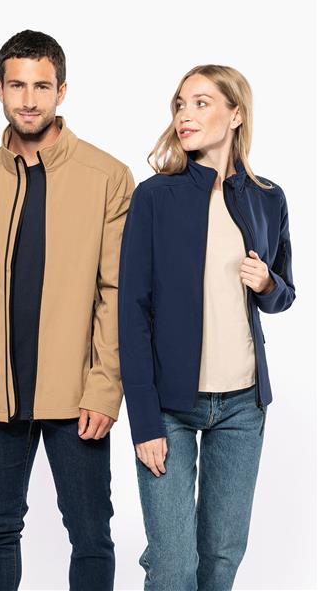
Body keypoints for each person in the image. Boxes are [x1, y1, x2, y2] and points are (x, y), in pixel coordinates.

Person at [0, 29, 135, 591]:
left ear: (61, 91)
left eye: (41, 86)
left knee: (90, 535)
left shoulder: (107, 177)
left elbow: (117, 293)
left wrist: (104, 389)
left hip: (76, 398)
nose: (28, 99)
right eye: (17, 85)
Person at [118, 64, 296, 590]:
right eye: (180, 104)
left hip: (243, 404)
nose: (185, 115)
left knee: (220, 559)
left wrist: (267, 284)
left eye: (201, 103)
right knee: (174, 565)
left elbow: (283, 294)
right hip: (169, 408)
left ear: (235, 114)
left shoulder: (267, 197)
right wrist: (144, 421)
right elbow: (132, 312)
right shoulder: (155, 196)